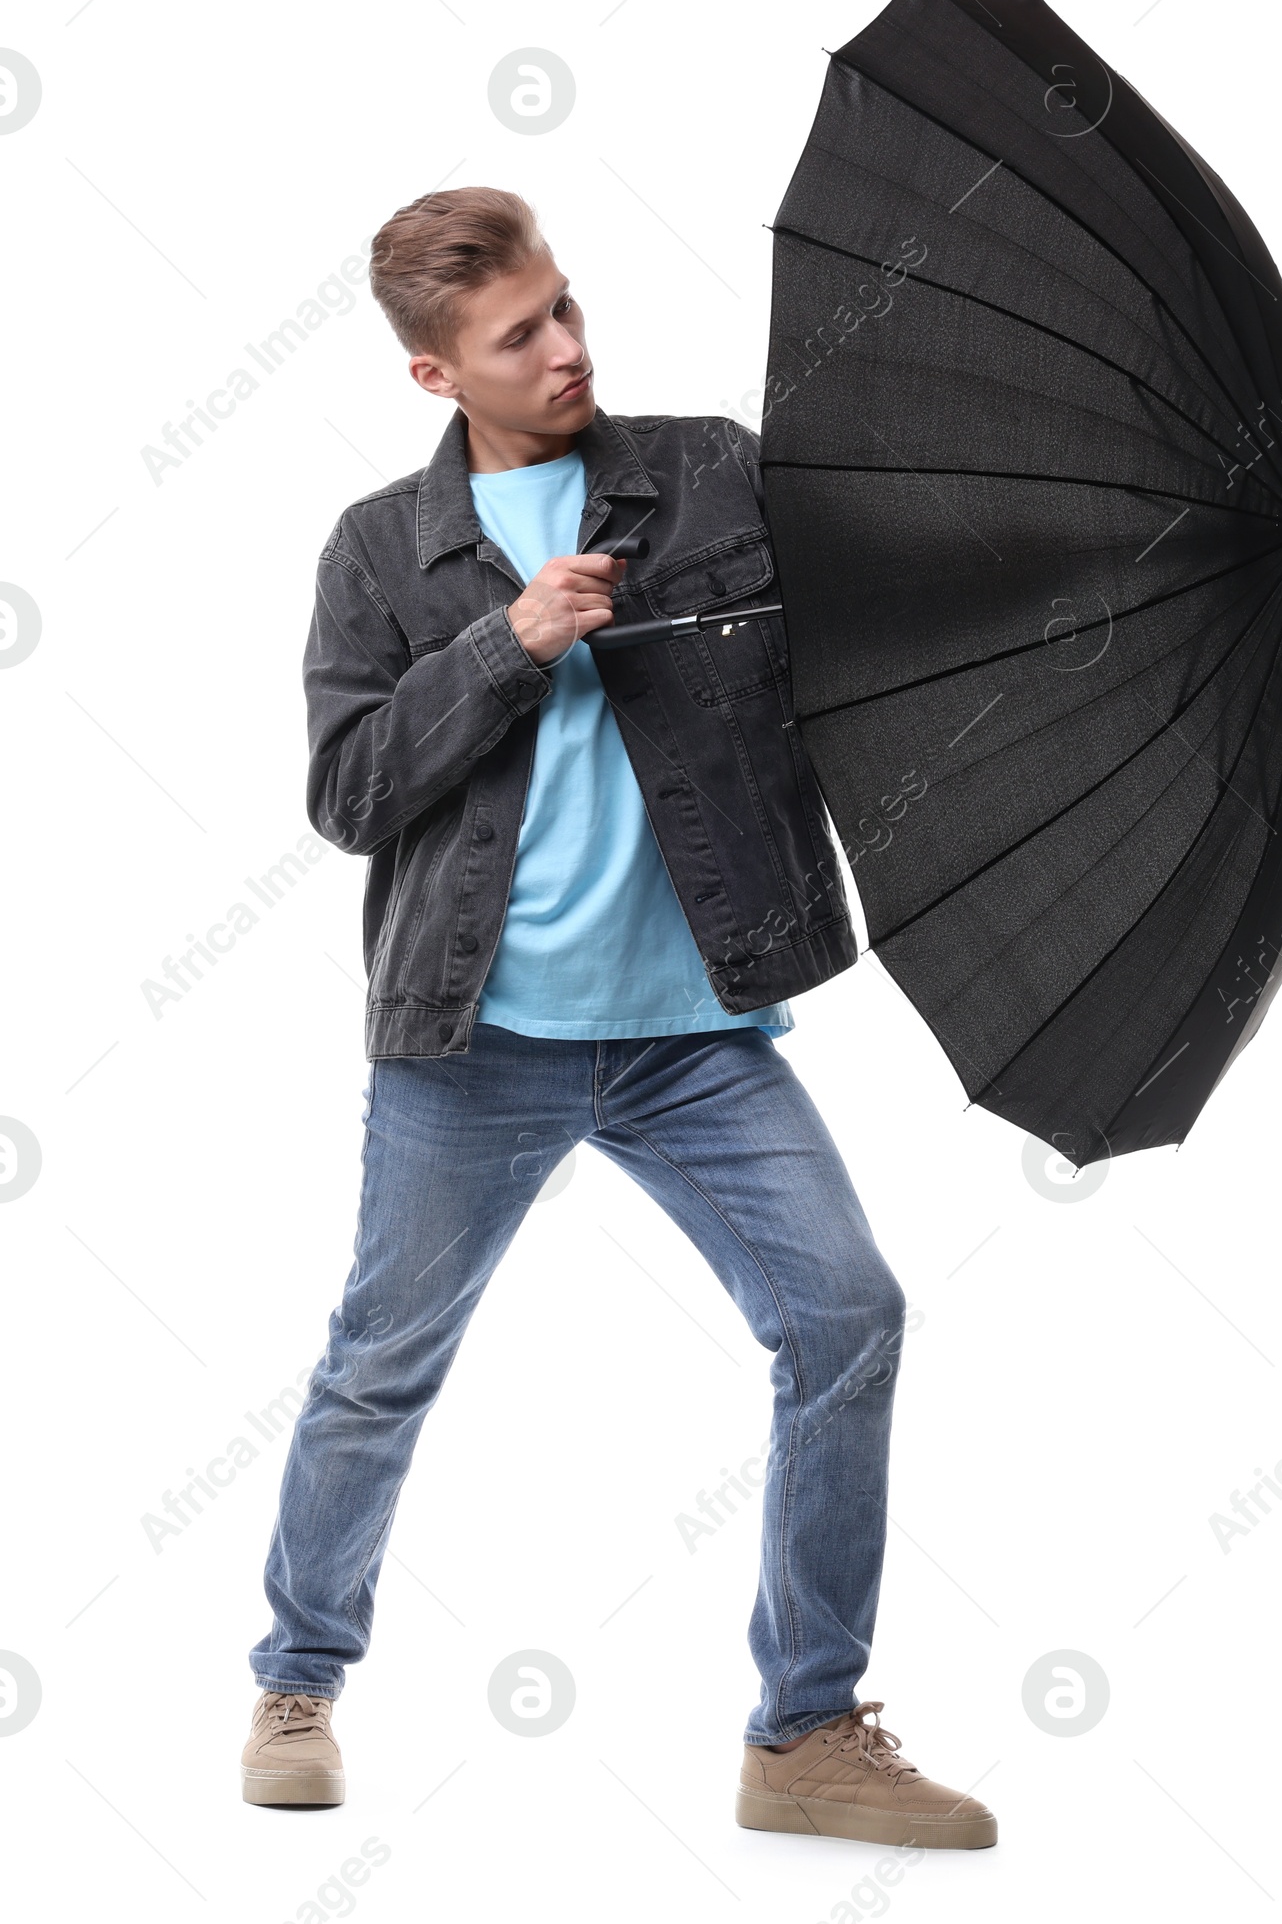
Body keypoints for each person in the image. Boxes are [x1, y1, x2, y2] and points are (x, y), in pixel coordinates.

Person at [240, 187, 997, 1849]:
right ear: (439, 374)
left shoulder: (709, 472)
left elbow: (869, 615)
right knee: (381, 1364)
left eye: (570, 306)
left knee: (847, 1314)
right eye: (522, 333)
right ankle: (297, 1676)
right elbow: (349, 795)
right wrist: (506, 646)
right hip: (475, 1035)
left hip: (693, 1034)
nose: (570, 347)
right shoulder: (382, 549)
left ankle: (802, 1728)